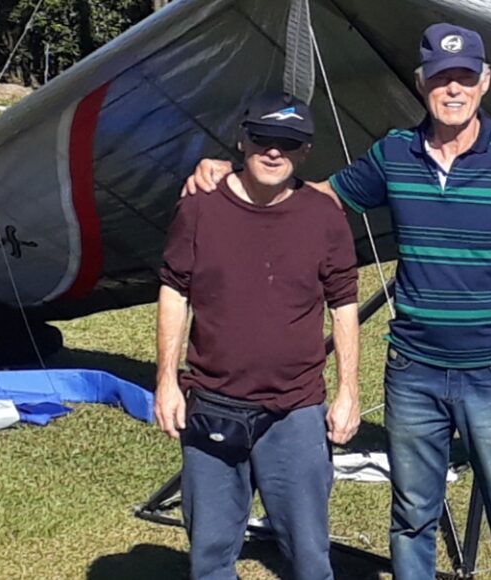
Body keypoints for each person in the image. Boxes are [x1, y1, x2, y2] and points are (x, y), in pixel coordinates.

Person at [181, 24, 491, 580]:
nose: (453, 89)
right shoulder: (394, 152)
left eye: (464, 77)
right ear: (421, 84)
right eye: (441, 78)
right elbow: (319, 197)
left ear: (485, 82)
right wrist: (235, 171)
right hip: (414, 372)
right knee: (413, 516)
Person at [155, 92, 361, 580]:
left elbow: (344, 304)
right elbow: (174, 291)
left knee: (309, 555)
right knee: (210, 555)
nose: (273, 151)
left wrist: (349, 391)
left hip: (296, 410)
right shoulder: (199, 207)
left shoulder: (324, 216)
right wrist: (166, 381)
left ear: (304, 152)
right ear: (242, 140)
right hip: (213, 403)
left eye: (287, 143)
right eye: (263, 138)